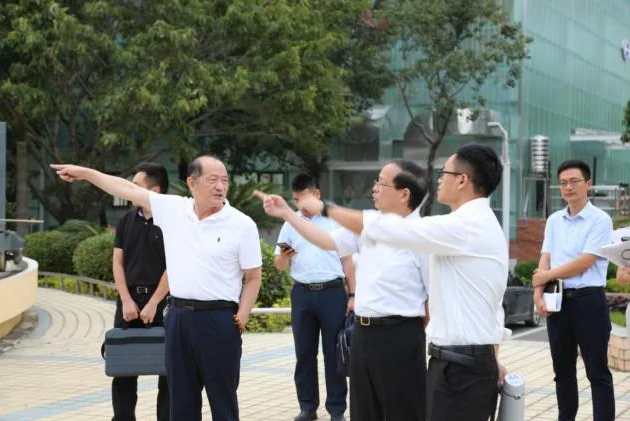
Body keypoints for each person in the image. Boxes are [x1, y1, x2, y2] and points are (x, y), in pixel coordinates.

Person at [277, 143, 508, 421]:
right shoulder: (464, 224)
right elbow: (493, 304)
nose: (439, 179)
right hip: (451, 360)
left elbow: (394, 231)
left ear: (462, 180)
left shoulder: (465, 226)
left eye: (444, 172)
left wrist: (326, 209)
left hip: (453, 362)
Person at [51, 155, 263, 421]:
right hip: (178, 319)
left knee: (223, 403)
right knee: (181, 403)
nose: (220, 186)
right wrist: (86, 173)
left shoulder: (242, 224)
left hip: (218, 320)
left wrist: (242, 315)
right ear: (192, 183)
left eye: (225, 180)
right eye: (213, 180)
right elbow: (126, 188)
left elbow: (253, 277)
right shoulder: (173, 209)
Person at [256, 159, 430, 421]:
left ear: (404, 194)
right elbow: (327, 240)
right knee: (363, 410)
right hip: (363, 334)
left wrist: (409, 334)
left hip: (400, 336)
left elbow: (433, 299)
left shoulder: (423, 235)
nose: (374, 189)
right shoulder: (370, 225)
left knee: (401, 411)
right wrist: (288, 214)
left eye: (381, 183)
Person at [532, 159, 615, 421]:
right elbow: (545, 256)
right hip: (558, 303)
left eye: (574, 181)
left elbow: (585, 261)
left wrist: (547, 275)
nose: (568, 187)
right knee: (563, 373)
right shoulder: (554, 220)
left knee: (597, 373)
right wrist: (538, 292)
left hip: (588, 302)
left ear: (588, 184)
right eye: (563, 183)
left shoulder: (600, 220)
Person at [275, 174, 355, 421]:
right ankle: (308, 407)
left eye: (304, 198)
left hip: (332, 293)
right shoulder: (290, 223)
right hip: (302, 293)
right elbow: (279, 265)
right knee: (304, 353)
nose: (300, 204)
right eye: (296, 200)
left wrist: (353, 295)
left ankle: (336, 409)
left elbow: (348, 261)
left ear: (317, 195)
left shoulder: (334, 221)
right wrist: (284, 257)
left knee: (334, 353)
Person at [111, 163, 171, 421]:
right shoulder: (126, 220)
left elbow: (175, 266)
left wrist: (155, 302)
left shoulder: (172, 220)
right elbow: (117, 262)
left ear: (154, 190)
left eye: (135, 185)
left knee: (169, 372)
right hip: (129, 302)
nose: (129, 189)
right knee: (123, 368)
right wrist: (126, 299)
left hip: (165, 303)